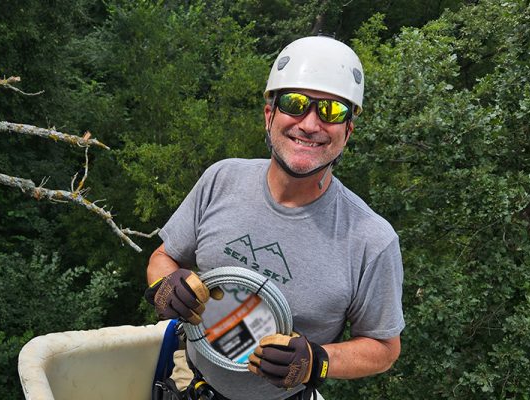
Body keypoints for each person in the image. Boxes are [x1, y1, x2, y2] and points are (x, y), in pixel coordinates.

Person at [145, 35, 405, 400]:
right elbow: (163, 256)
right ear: (270, 115)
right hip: (192, 384)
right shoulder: (221, 180)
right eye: (295, 104)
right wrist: (165, 284)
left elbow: (384, 349)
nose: (310, 124)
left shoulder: (371, 239)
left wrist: (319, 361)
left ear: (348, 131)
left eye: (331, 111)